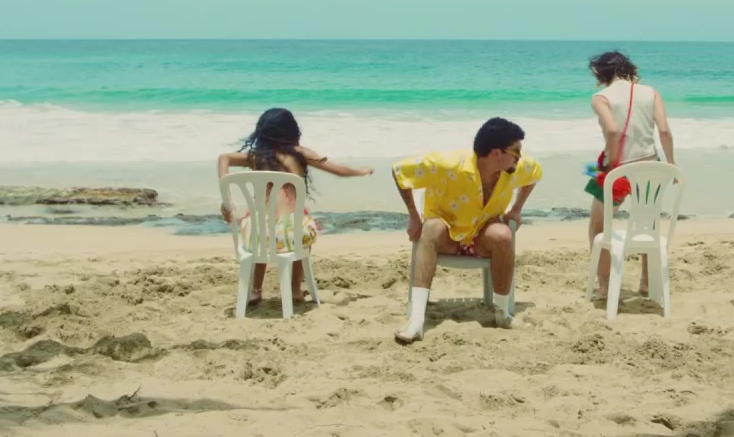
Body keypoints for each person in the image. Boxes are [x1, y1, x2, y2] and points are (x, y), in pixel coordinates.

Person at [391, 117, 543, 344]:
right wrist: (414, 216)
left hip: (482, 235)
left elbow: (534, 175)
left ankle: (502, 313)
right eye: (516, 151)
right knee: (431, 227)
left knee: (503, 234)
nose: (520, 157)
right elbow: (399, 172)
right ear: (496, 153)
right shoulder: (447, 164)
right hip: (447, 235)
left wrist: (517, 209)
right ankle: (416, 319)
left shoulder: (516, 167)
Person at [217, 108, 374, 306]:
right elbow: (339, 171)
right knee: (302, 228)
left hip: (254, 235)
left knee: (261, 227)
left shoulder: (255, 157)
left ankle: (256, 289)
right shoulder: (300, 154)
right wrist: (361, 171)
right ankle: (295, 288)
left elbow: (223, 158)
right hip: (289, 236)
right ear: (291, 131)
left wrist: (227, 200)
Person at [583, 51, 676, 299]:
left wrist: (612, 164)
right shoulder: (651, 92)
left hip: (618, 169)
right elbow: (664, 131)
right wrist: (671, 164)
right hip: (651, 168)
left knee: (598, 225)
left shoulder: (601, 97)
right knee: (649, 223)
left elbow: (613, 131)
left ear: (600, 73)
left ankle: (605, 286)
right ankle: (646, 283)